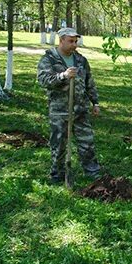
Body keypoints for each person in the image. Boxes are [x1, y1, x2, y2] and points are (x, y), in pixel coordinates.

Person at [37, 27, 101, 183]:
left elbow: (89, 82)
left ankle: (92, 171)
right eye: (71, 41)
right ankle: (57, 174)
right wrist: (63, 76)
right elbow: (43, 80)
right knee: (58, 145)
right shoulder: (50, 59)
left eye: (75, 41)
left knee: (87, 142)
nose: (74, 45)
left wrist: (95, 102)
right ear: (61, 41)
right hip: (60, 111)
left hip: (80, 109)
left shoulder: (80, 60)